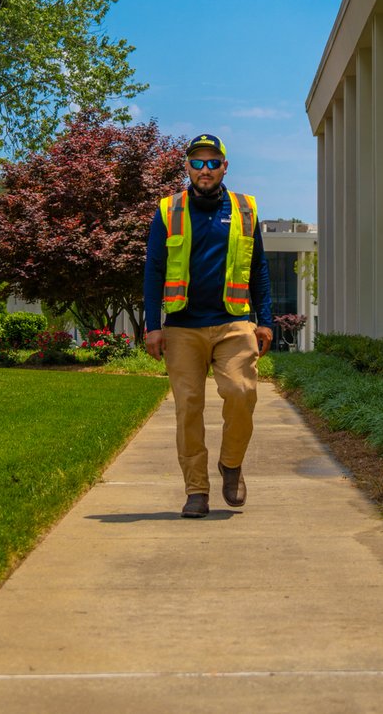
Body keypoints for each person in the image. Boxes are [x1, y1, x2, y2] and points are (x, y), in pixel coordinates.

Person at [144, 134, 273, 518]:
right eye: (197, 163)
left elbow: (259, 269)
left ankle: (230, 465)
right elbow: (153, 270)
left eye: (212, 163)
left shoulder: (245, 209)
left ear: (224, 167)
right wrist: (154, 325)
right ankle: (196, 490)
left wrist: (264, 321)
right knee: (188, 407)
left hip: (233, 322)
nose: (205, 170)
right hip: (183, 326)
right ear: (187, 167)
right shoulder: (169, 210)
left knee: (241, 392)